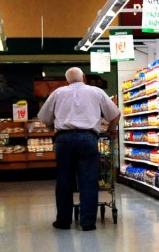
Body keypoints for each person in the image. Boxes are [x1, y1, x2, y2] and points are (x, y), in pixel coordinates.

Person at [38, 67, 120, 231]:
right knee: (88, 180)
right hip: (88, 138)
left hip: (63, 139)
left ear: (66, 80)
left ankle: (63, 221)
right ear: (84, 77)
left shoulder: (57, 93)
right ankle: (88, 223)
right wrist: (110, 130)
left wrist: (54, 129)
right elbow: (115, 114)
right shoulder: (96, 91)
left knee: (64, 179)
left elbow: (44, 118)